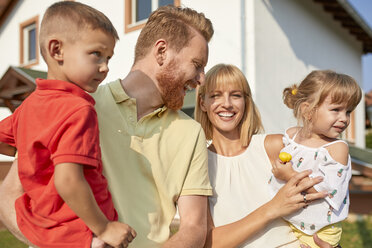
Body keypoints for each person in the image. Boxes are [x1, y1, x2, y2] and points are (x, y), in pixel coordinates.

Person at [0, 4, 214, 247]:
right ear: (162, 51)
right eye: (197, 64)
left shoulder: (192, 132)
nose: (202, 79)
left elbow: (194, 228)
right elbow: (9, 195)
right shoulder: (72, 105)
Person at [0, 2, 136, 247]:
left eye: (108, 58)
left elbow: (7, 144)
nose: (105, 67)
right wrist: (105, 228)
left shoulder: (29, 106)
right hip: (83, 232)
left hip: (43, 229)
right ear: (57, 50)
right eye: (97, 54)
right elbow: (68, 180)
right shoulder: (78, 109)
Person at [195, 64, 333, 248]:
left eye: (235, 95)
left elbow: (327, 197)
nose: (227, 103)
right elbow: (209, 242)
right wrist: (273, 208)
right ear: (202, 103)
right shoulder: (197, 163)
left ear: (246, 102)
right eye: (215, 95)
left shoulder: (274, 146)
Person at [268, 70, 362, 247]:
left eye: (348, 111)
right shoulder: (291, 136)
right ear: (307, 110)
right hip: (288, 219)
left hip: (318, 231)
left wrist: (290, 175)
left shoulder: (336, 149)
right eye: (336, 110)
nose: (344, 118)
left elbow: (326, 193)